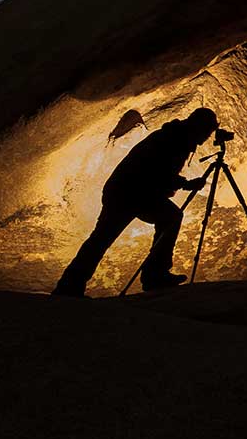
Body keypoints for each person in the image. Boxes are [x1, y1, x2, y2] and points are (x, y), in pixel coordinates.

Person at [52, 107, 218, 297]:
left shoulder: (176, 136)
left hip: (134, 192)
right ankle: (71, 286)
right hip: (127, 193)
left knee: (106, 237)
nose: (206, 138)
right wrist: (185, 184)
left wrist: (180, 183)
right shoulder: (173, 139)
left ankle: (154, 275)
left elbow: (158, 173)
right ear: (198, 127)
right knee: (103, 238)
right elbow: (156, 171)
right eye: (207, 132)